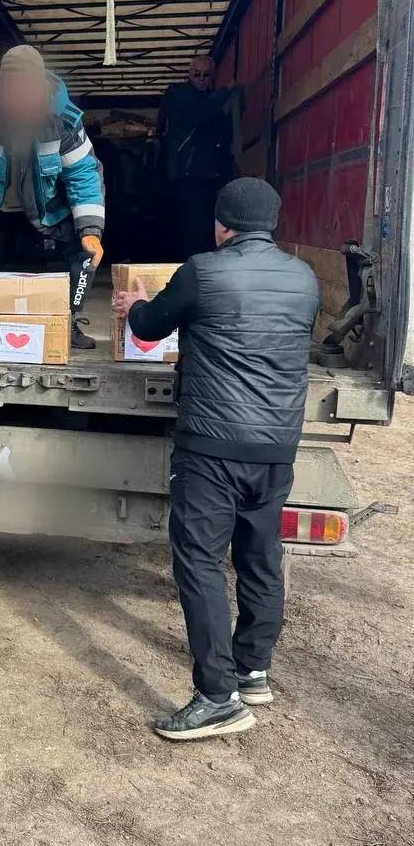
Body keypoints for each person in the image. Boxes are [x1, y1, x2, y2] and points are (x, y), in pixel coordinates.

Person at [113, 178, 318, 742]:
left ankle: (217, 697)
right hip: (276, 445)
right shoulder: (304, 278)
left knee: (200, 562)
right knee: (260, 554)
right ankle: (252, 670)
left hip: (212, 443)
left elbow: (150, 327)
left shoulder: (203, 271)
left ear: (221, 224)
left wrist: (134, 305)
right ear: (271, 224)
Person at [0, 44, 106, 349]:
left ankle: (67, 321)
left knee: (88, 249)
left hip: (46, 206)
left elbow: (83, 175)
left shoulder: (64, 119)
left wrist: (91, 231)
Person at [155, 54, 239, 260]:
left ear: (212, 76)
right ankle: (190, 263)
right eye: (197, 74)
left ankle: (198, 262)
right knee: (190, 224)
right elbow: (197, 116)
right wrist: (224, 92)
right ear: (189, 74)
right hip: (186, 173)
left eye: (206, 74)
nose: (201, 78)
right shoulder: (179, 95)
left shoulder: (209, 100)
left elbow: (224, 133)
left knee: (203, 223)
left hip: (206, 174)